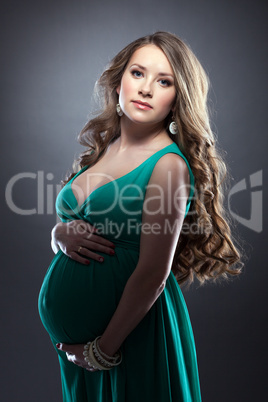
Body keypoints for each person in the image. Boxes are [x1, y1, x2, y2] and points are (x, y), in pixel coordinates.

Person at [38, 31, 243, 402]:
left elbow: (152, 274)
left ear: (177, 99)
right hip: (83, 353)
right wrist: (58, 235)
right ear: (119, 82)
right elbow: (83, 223)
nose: (146, 89)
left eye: (163, 81)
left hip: (127, 342)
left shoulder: (168, 165)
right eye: (138, 73)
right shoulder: (105, 148)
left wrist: (103, 350)